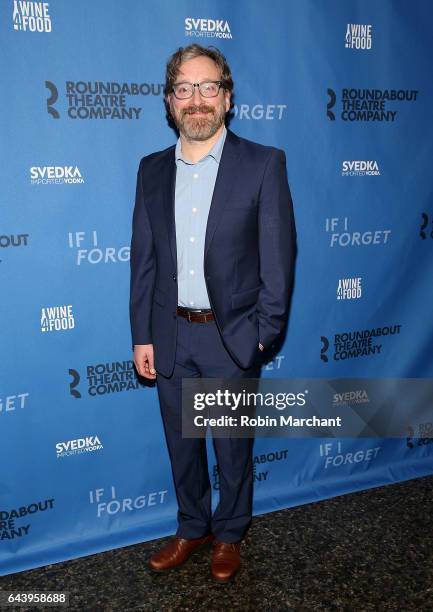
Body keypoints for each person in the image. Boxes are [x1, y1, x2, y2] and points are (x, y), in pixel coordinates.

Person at [130, 43, 296, 583]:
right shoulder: (151, 170)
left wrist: (262, 335)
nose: (195, 99)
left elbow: (279, 256)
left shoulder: (263, 163)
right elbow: (144, 261)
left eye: (207, 87)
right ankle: (192, 526)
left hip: (231, 339)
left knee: (231, 451)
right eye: (184, 88)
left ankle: (229, 533)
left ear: (226, 98)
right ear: (170, 101)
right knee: (182, 448)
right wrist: (142, 335)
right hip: (170, 334)